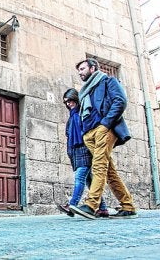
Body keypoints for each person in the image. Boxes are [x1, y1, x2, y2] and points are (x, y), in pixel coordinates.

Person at [69, 58, 137, 220]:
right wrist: (85, 133)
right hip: (89, 134)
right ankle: (128, 205)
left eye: (82, 69)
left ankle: (91, 205)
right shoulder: (85, 90)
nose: (80, 72)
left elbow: (120, 101)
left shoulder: (107, 81)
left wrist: (105, 124)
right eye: (78, 70)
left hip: (104, 129)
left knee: (98, 166)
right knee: (109, 171)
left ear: (93, 68)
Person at [57, 88, 108, 218]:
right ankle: (103, 209)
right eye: (66, 102)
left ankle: (72, 205)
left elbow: (87, 131)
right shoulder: (72, 116)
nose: (68, 103)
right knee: (89, 181)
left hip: (84, 149)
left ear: (75, 98)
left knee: (80, 178)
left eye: (70, 100)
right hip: (76, 152)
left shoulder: (82, 113)